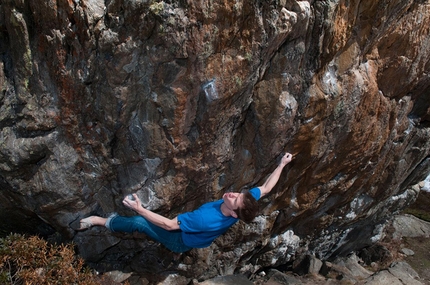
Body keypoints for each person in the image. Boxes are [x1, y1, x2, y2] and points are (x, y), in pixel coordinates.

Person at [76, 153, 293, 253]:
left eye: (234, 199)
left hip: (179, 240)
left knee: (137, 222)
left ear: (234, 214)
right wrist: (282, 165)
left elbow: (169, 226)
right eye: (238, 193)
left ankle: (100, 221)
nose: (231, 194)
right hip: (196, 235)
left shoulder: (205, 219)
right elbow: (266, 188)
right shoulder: (245, 204)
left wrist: (140, 209)